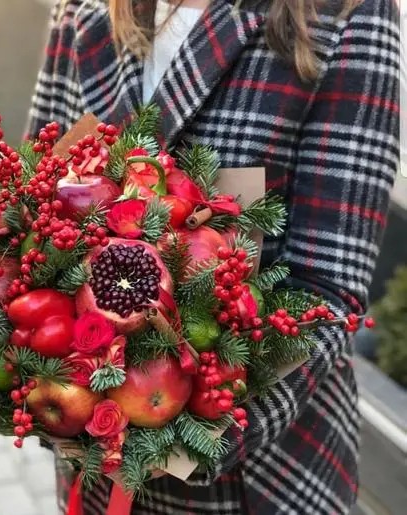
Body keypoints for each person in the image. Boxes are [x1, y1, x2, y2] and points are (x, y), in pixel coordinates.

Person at [25, 0, 400, 513]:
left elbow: (329, 288)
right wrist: (31, 383)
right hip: (93, 473)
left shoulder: (345, 12)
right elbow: (33, 204)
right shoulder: (83, 10)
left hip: (260, 479)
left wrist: (194, 440)